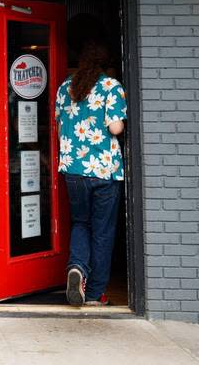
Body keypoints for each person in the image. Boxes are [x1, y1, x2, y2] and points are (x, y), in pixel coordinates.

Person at [55, 40, 127, 307]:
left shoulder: (66, 88)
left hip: (73, 170)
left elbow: (60, 126)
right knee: (103, 232)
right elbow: (116, 128)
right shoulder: (111, 87)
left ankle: (77, 268)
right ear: (106, 62)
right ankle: (95, 293)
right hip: (104, 171)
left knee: (81, 223)